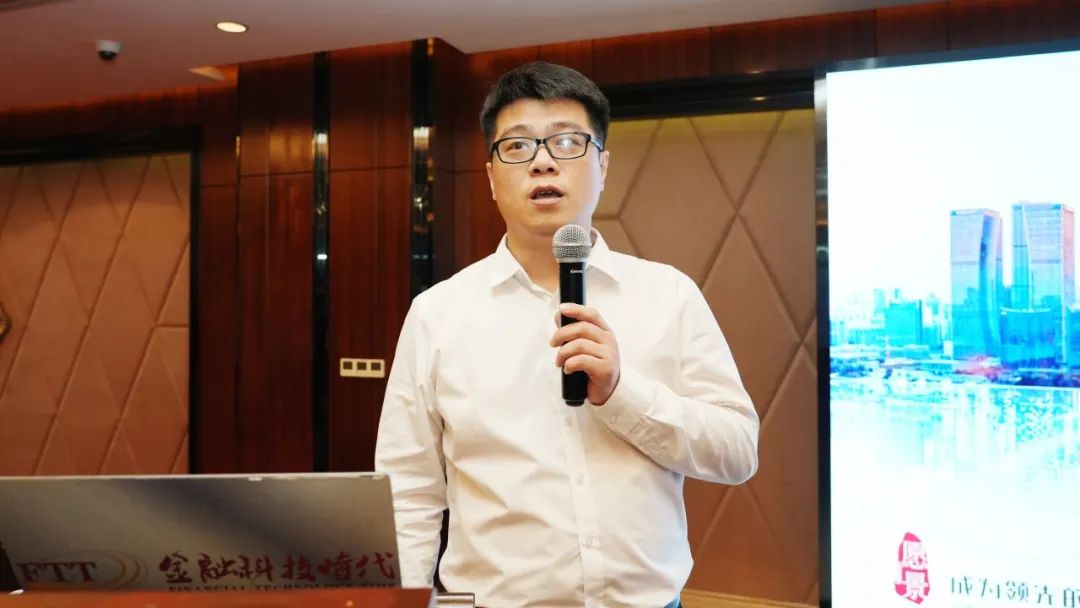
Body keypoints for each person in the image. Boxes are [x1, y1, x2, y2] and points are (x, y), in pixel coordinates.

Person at [375, 61, 759, 608]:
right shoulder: (437, 314)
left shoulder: (669, 295)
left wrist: (622, 392)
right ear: (491, 177)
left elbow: (737, 451)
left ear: (602, 165)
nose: (543, 162)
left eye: (567, 142)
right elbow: (407, 491)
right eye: (517, 146)